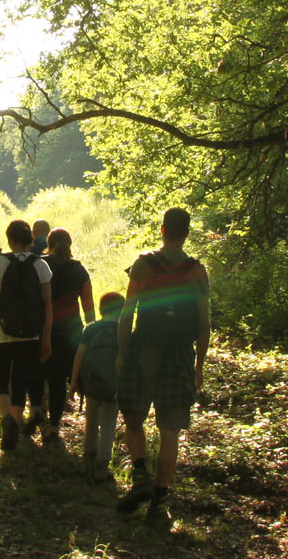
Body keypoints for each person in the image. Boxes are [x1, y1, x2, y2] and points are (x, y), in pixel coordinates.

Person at [115, 207, 210, 513]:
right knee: (170, 431)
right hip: (180, 353)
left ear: (162, 230)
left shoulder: (143, 264)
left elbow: (127, 314)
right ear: (187, 233)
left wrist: (121, 353)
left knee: (133, 418)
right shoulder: (196, 271)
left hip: (144, 348)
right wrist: (198, 366)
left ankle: (140, 474)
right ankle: (160, 498)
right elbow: (204, 325)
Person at [0, 219, 52, 451]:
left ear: (10, 240)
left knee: (0, 380)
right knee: (20, 381)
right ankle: (16, 426)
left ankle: (7, 418)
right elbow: (47, 305)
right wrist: (46, 337)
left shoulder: (0, 262)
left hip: (3, 333)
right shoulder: (40, 265)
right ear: (30, 239)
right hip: (31, 335)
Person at [31, 228, 95, 447]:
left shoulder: (39, 265)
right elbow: (88, 306)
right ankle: (54, 426)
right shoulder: (79, 270)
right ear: (70, 244)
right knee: (58, 381)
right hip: (70, 332)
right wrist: (91, 331)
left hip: (41, 329)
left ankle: (37, 408)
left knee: (37, 373)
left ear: (48, 243)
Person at [71, 292, 125, 475]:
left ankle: (89, 452)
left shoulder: (91, 329)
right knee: (109, 423)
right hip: (114, 386)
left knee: (91, 419)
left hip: (92, 383)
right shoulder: (124, 332)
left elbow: (80, 355)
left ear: (101, 309)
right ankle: (103, 461)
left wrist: (74, 382)